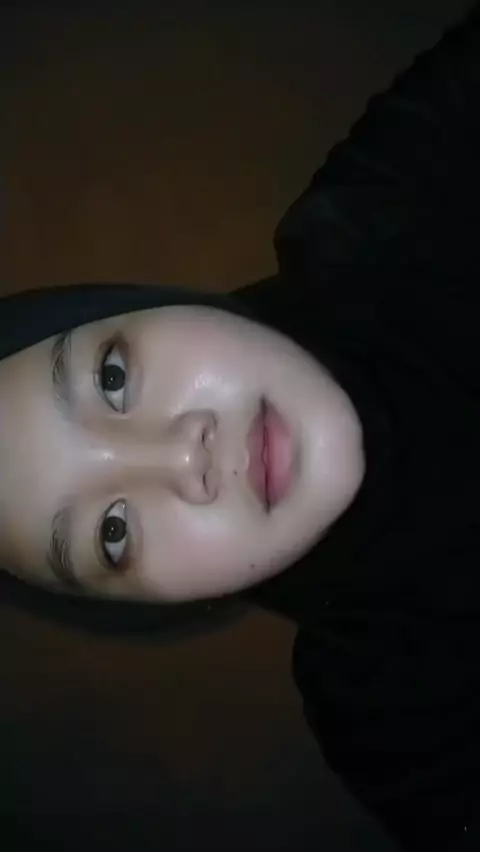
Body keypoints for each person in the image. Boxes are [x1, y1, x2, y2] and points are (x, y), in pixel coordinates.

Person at [1, 3, 480, 849]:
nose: (182, 457)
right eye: (113, 534)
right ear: (166, 606)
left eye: (111, 377)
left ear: (147, 306)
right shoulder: (406, 730)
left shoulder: (401, 189)